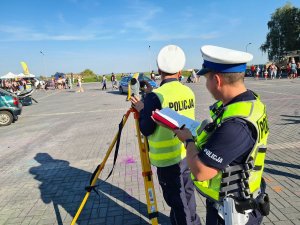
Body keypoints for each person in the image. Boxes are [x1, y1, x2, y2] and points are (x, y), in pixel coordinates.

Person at [171, 45, 270, 225]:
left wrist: (188, 140)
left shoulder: (235, 125)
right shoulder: (251, 104)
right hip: (247, 200)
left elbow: (201, 171)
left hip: (232, 215)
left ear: (217, 80)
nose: (206, 85)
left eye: (206, 79)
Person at [131, 45, 201, 225]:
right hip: (186, 154)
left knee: (177, 203)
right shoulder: (188, 91)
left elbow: (146, 129)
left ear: (159, 69)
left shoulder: (156, 97)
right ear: (180, 70)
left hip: (166, 161)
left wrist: (142, 108)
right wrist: (149, 100)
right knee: (187, 196)